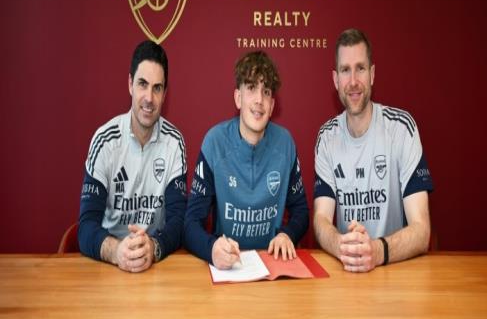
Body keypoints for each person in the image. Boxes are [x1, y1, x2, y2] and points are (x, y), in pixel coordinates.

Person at [314, 28, 433, 272]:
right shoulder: (326, 138)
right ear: (335, 80)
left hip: (395, 272)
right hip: (347, 271)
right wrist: (341, 246)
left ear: (372, 74)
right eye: (345, 70)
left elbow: (422, 230)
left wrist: (376, 251)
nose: (353, 81)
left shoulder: (401, 128)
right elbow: (321, 218)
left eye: (360, 68)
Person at [184, 50, 309, 269]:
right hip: (228, 267)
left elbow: (301, 211)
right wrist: (212, 248)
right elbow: (191, 223)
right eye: (251, 88)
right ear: (238, 98)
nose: (259, 100)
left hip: (273, 265)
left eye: (266, 91)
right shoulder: (215, 142)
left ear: (272, 105)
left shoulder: (285, 143)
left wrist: (287, 234)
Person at [78, 40, 187, 272]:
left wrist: (153, 248)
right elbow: (86, 226)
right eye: (142, 84)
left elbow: (179, 222)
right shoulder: (104, 141)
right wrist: (117, 252)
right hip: (110, 265)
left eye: (157, 88)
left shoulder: (174, 143)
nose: (149, 98)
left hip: (155, 266)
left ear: (165, 94)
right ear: (130, 84)